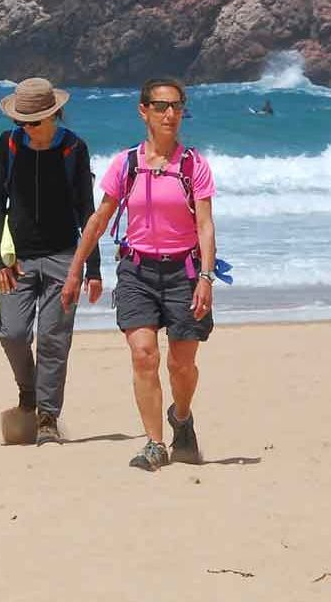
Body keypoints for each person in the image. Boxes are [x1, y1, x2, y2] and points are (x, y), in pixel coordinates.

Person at [64, 78, 217, 471]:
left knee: (181, 366)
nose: (170, 114)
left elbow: (205, 225)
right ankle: (154, 443)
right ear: (143, 110)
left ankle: (181, 416)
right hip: (137, 271)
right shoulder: (126, 164)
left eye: (177, 107)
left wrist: (205, 277)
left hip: (184, 272)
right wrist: (76, 268)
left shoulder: (193, 165)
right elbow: (100, 219)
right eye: (162, 106)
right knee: (143, 355)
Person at [0, 78, 102, 445]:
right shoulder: (8, 145)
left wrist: (93, 268)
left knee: (54, 339)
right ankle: (29, 392)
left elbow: (87, 209)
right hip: (18, 259)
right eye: (22, 121)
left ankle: (48, 418)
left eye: (34, 121)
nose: (28, 128)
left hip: (64, 256)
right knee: (13, 333)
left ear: (53, 115)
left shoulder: (73, 149)